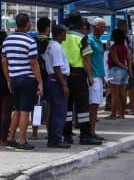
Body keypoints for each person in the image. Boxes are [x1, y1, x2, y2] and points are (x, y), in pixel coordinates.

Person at [2, 13, 44, 151]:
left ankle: (11, 138)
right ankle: (21, 140)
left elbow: (4, 61)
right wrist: (40, 81)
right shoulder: (30, 41)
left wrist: (8, 79)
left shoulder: (7, 41)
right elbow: (33, 63)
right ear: (27, 24)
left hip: (14, 79)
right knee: (25, 110)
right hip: (27, 79)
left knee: (17, 109)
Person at [62, 10, 102, 145]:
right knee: (82, 107)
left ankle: (67, 135)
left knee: (67, 108)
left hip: (64, 76)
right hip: (78, 75)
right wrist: (90, 76)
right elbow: (86, 59)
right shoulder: (82, 37)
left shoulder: (62, 36)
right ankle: (85, 135)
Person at [45, 25, 71, 148]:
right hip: (57, 81)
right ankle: (56, 139)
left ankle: (53, 138)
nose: (66, 35)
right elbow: (57, 67)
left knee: (54, 111)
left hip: (53, 80)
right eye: (64, 33)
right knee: (59, 112)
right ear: (60, 34)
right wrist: (64, 85)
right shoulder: (56, 47)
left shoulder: (51, 45)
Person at [117, 19, 134, 116]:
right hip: (123, 66)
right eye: (125, 26)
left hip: (126, 65)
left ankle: (129, 108)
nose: (126, 28)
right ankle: (123, 109)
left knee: (130, 88)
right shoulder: (119, 38)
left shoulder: (129, 38)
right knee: (124, 89)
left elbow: (132, 52)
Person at [31, 17, 51, 140]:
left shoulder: (32, 41)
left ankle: (34, 133)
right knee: (48, 105)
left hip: (34, 76)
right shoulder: (51, 42)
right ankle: (49, 132)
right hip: (48, 77)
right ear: (48, 28)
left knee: (36, 106)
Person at [106, 28, 132, 119]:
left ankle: (113, 114)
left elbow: (115, 60)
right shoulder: (124, 47)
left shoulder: (113, 47)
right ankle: (122, 114)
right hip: (124, 73)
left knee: (114, 94)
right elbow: (129, 59)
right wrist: (128, 69)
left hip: (114, 71)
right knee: (122, 94)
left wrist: (123, 66)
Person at [88, 17, 106, 140]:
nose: (103, 29)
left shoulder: (99, 41)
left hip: (99, 76)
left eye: (104, 26)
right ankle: (90, 132)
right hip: (93, 77)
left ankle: (93, 131)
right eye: (101, 26)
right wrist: (90, 76)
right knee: (93, 106)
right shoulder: (90, 40)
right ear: (94, 27)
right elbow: (87, 59)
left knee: (96, 105)